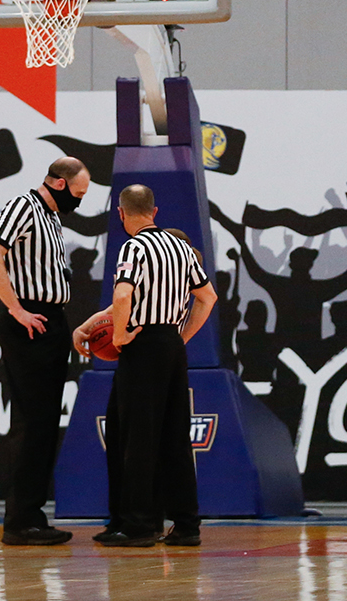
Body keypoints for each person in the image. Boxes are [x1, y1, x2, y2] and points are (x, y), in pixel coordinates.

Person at [74, 189, 216, 547]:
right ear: (154, 210)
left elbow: (123, 297)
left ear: (121, 214)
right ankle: (185, 526)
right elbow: (208, 297)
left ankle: (139, 526)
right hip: (169, 345)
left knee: (133, 437)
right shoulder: (181, 248)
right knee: (172, 437)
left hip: (140, 346)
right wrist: (180, 337)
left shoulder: (134, 247)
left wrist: (120, 336)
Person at [0, 156, 90, 546]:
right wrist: (16, 308)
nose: (80, 200)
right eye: (78, 193)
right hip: (31, 320)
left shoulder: (52, 217)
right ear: (59, 183)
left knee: (44, 424)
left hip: (51, 319)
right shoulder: (24, 206)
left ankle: (33, 516)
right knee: (31, 423)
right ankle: (20, 520)